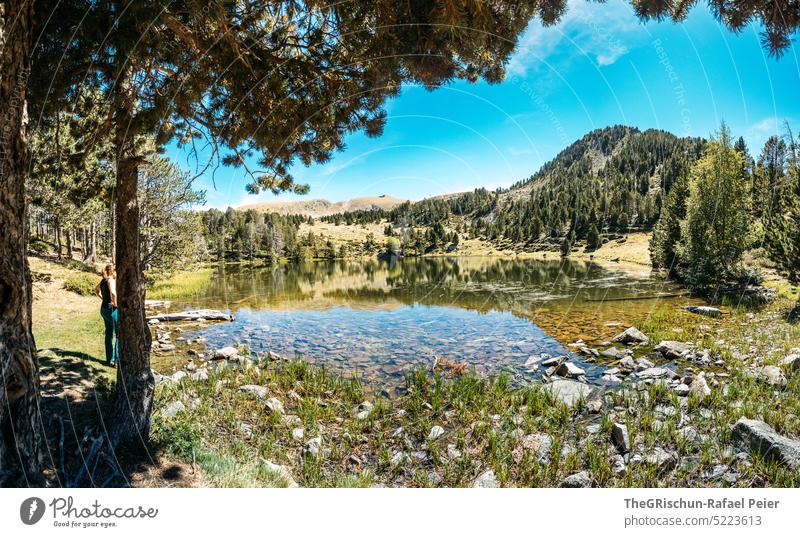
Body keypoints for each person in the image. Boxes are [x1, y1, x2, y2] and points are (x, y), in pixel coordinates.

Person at [95, 264, 118, 367]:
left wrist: (103, 299)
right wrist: (115, 304)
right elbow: (113, 293)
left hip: (103, 309)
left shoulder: (103, 280)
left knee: (108, 334)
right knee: (119, 335)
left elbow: (96, 290)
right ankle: (116, 361)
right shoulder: (111, 280)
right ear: (113, 271)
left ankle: (109, 359)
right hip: (112, 310)